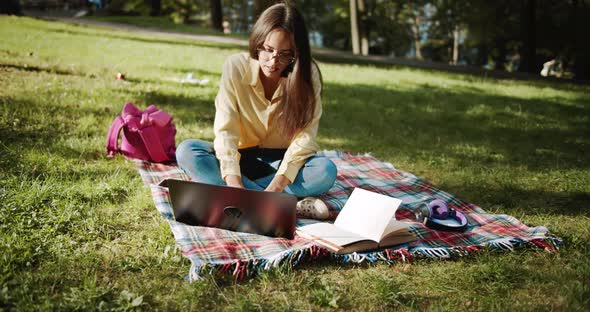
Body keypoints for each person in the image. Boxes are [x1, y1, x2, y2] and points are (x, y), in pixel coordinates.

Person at [176, 3, 337, 219]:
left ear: (297, 53)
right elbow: (226, 130)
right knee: (187, 151)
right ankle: (283, 204)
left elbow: (306, 137)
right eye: (268, 50)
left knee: (325, 171)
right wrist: (234, 181)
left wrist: (277, 185)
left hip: (282, 163)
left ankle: (250, 200)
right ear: (258, 42)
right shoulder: (235, 67)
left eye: (284, 54)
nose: (273, 62)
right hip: (241, 158)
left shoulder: (308, 74)